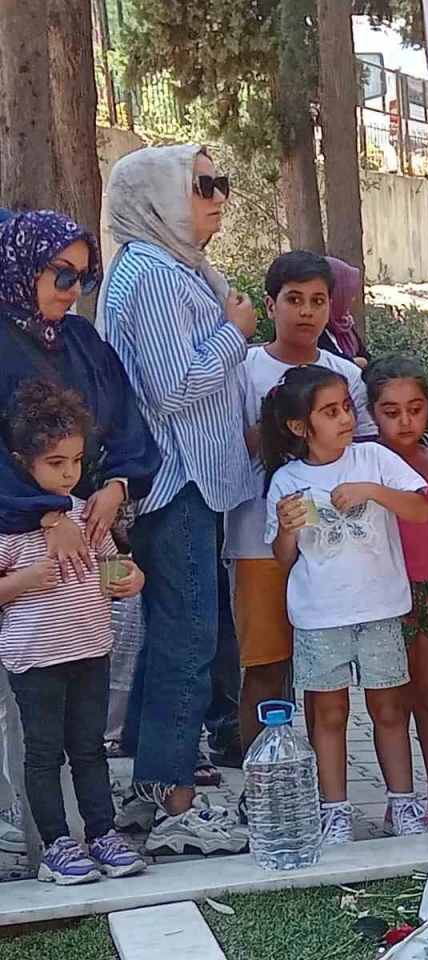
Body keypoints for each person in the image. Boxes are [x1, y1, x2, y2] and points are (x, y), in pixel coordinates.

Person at [98, 144, 255, 854]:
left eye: (221, 182)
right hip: (177, 481)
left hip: (187, 481)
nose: (218, 197)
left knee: (179, 637)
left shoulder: (170, 265)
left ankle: (150, 787)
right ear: (159, 198)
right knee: (187, 643)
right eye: (202, 185)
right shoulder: (157, 276)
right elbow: (173, 388)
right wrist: (235, 335)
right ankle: (172, 803)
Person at [0, 208, 161, 854]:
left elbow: (126, 423)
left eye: (84, 279)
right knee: (31, 725)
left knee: (84, 728)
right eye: (60, 275)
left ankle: (94, 834)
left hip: (84, 543)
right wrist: (42, 512)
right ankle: (42, 841)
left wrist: (116, 485)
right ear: (20, 269)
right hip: (18, 543)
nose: (73, 292)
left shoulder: (84, 343)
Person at [263, 364, 428, 843]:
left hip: (380, 608)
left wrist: (373, 491)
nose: (344, 419)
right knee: (329, 714)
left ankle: (403, 803)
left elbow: (421, 509)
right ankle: (334, 810)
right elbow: (282, 557)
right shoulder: (287, 480)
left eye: (345, 408)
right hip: (320, 615)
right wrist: (287, 528)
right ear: (300, 426)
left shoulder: (373, 458)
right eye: (330, 412)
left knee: (390, 709)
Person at [223, 251, 377, 760]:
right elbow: (226, 449)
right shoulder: (243, 369)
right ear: (270, 305)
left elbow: (364, 453)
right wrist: (276, 427)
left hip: (331, 543)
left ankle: (321, 782)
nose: (307, 312)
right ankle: (262, 778)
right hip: (258, 539)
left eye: (318, 300)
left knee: (321, 670)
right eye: (294, 300)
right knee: (265, 665)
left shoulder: (344, 375)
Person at [0, 380, 148, 885]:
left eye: (77, 461)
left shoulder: (87, 514)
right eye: (55, 463)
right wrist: (25, 580)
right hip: (35, 659)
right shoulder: (10, 525)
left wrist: (131, 579)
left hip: (90, 650)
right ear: (23, 463)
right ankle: (56, 846)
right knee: (44, 754)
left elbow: (112, 566)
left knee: (89, 749)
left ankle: (103, 834)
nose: (69, 474)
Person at [364, 355, 428, 832]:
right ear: (371, 411)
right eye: (391, 411)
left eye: (415, 409)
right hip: (384, 596)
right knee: (391, 702)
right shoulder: (364, 464)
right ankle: (399, 797)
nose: (405, 421)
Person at [319, 256, 371, 369]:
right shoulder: (314, 330)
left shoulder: (344, 323)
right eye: (348, 293)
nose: (353, 299)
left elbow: (366, 358)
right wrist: (355, 362)